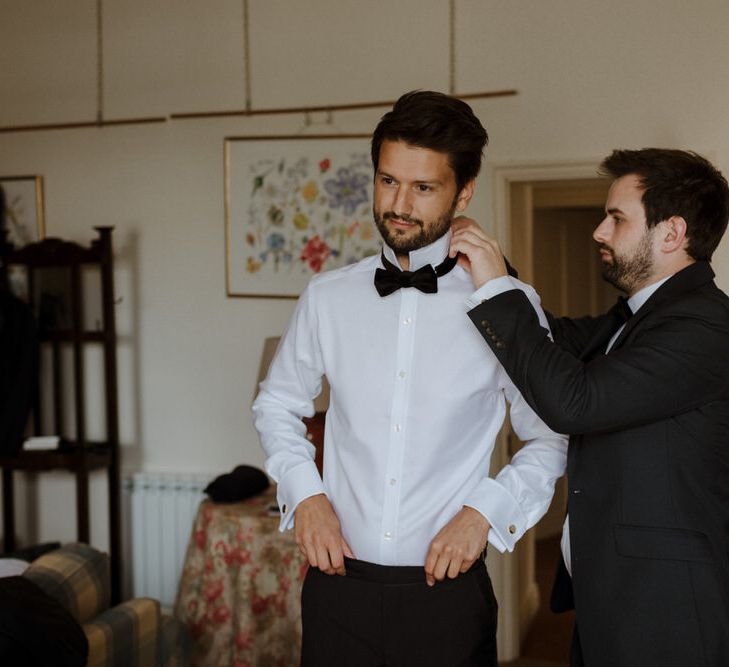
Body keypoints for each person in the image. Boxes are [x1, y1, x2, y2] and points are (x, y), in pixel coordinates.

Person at [253, 90, 567, 667]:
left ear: (463, 191)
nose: (399, 204)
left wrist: (485, 513)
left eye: (423, 188)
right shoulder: (328, 297)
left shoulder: (507, 305)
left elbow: (549, 437)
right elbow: (275, 405)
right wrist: (307, 495)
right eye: (388, 181)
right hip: (336, 587)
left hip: (446, 599)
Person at [451, 148, 729, 667]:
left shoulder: (705, 327)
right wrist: (487, 261)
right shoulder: (634, 317)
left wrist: (493, 284)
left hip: (667, 614)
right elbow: (547, 336)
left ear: (672, 233)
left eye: (617, 218)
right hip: (616, 600)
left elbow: (574, 403)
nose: (600, 231)